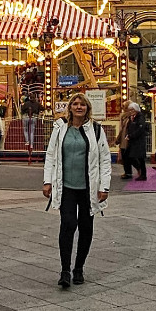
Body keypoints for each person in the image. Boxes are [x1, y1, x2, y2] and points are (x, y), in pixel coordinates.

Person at [42, 93, 112, 288]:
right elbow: (51, 155)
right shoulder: (60, 128)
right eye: (75, 103)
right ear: (70, 107)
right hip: (67, 187)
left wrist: (103, 186)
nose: (78, 107)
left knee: (86, 227)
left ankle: (79, 268)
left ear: (87, 108)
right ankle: (65, 269)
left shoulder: (96, 130)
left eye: (82, 104)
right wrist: (47, 181)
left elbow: (105, 160)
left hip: (88, 188)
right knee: (68, 224)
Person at [122, 103, 150, 181]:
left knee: (140, 158)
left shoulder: (140, 117)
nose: (131, 111)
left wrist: (131, 135)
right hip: (133, 140)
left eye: (132, 110)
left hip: (138, 140)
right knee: (128, 155)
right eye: (130, 110)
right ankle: (140, 171)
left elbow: (140, 129)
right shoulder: (132, 117)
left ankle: (143, 174)